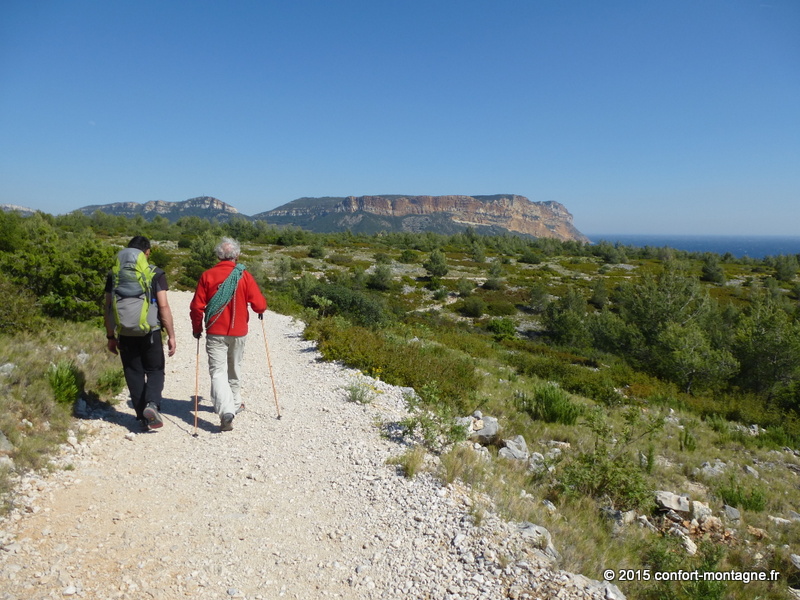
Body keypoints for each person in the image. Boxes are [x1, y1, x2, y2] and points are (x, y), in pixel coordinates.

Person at [190, 237, 267, 432]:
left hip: (215, 331)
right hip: (239, 331)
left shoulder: (207, 276)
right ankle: (235, 404)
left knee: (218, 372)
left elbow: (197, 307)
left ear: (218, 255)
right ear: (237, 255)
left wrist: (197, 328)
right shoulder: (244, 276)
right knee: (235, 367)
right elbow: (260, 305)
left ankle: (227, 410)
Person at [105, 236, 176, 431]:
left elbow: (108, 307)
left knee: (133, 371)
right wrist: (171, 335)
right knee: (154, 370)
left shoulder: (114, 275)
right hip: (150, 331)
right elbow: (163, 306)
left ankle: (142, 418)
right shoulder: (155, 273)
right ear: (147, 253)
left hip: (125, 332)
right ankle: (152, 405)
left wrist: (110, 336)